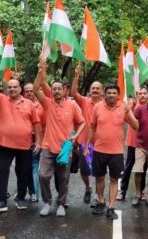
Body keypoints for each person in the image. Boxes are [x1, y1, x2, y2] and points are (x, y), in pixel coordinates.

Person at [0, 61, 42, 213]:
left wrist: (39, 142)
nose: (12, 89)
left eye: (15, 87)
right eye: (10, 87)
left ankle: (21, 198)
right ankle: (1, 200)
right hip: (5, 145)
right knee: (3, 171)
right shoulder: (2, 100)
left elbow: (36, 123)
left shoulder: (28, 103)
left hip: (25, 145)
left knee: (24, 172)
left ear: (20, 89)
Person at [34, 49, 86, 217]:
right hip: (48, 147)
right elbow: (36, 89)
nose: (56, 91)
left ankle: (61, 203)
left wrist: (76, 136)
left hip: (65, 148)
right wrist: (41, 70)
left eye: (59, 89)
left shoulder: (71, 106)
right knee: (43, 175)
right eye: (53, 88)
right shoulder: (48, 104)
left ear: (65, 91)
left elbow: (82, 122)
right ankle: (47, 202)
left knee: (63, 179)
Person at [84, 84, 139, 220]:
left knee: (114, 179)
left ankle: (111, 207)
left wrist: (128, 113)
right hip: (99, 150)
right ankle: (101, 202)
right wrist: (86, 146)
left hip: (116, 152)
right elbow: (92, 127)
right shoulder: (98, 107)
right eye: (109, 93)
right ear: (105, 94)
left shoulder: (124, 108)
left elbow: (136, 126)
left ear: (118, 95)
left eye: (114, 93)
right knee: (99, 177)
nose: (112, 95)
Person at [72, 63, 103, 205]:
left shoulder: (106, 104)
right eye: (93, 88)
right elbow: (73, 93)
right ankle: (88, 187)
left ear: (102, 91)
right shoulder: (84, 101)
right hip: (84, 142)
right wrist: (77, 75)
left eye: (97, 88)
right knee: (84, 170)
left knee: (98, 171)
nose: (95, 90)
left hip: (101, 144)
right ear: (90, 91)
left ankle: (98, 195)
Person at [118, 87, 148, 201]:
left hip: (144, 143)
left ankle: (141, 191)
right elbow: (125, 117)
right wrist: (131, 107)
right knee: (128, 167)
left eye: (145, 93)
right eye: (140, 93)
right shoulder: (131, 105)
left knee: (143, 169)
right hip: (132, 142)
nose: (143, 95)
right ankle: (123, 191)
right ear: (137, 95)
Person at [23, 82, 43, 202]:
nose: (30, 93)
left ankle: (34, 192)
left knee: (35, 167)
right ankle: (28, 191)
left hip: (39, 140)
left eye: (32, 91)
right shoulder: (20, 104)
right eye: (27, 91)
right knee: (24, 168)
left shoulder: (42, 106)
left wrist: (40, 140)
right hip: (24, 141)